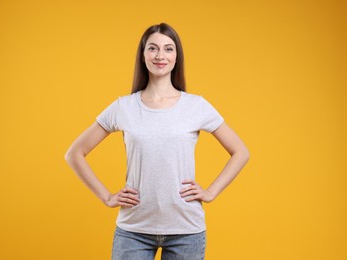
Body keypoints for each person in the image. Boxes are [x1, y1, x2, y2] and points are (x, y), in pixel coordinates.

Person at [65, 23, 250, 260]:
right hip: (133, 230)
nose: (160, 55)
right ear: (143, 56)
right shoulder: (124, 106)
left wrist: (211, 192)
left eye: (168, 49)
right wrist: (107, 197)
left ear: (176, 57)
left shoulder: (196, 106)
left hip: (186, 231)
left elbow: (240, 151)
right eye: (152, 48)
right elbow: (75, 153)